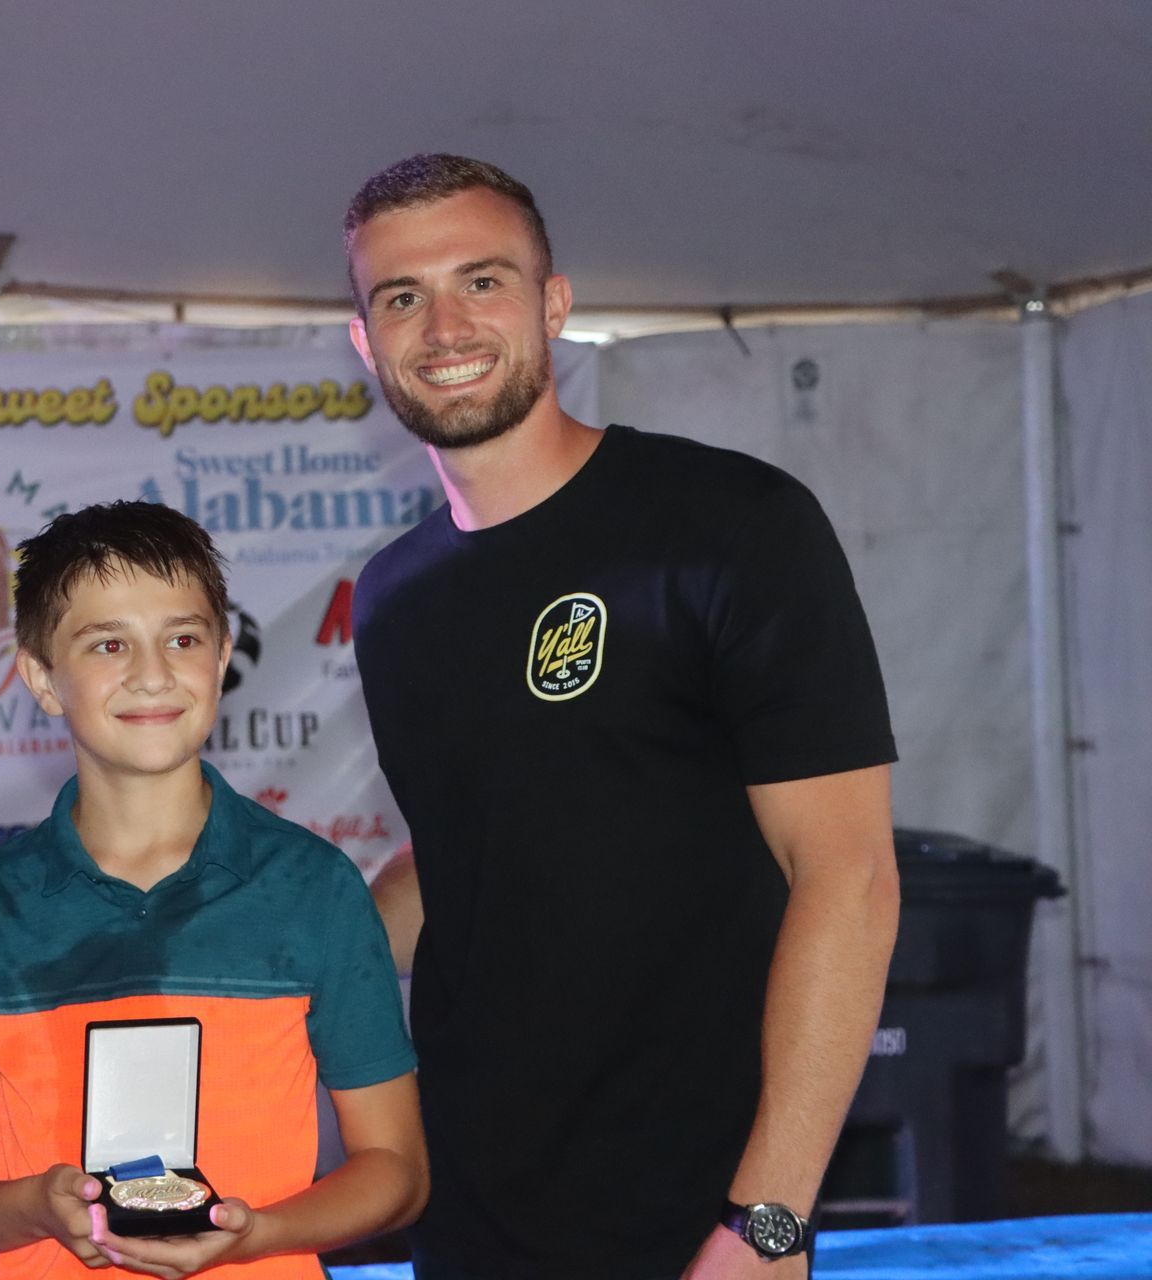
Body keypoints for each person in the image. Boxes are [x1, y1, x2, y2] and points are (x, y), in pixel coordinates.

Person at [342, 154, 900, 1280]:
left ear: (554, 303)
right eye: (403, 296)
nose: (444, 326)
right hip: (471, 1211)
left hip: (700, 1216)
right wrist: (256, 952)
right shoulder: (393, 596)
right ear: (365, 341)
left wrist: (769, 1218)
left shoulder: (733, 524)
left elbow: (848, 876)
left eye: (483, 281)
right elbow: (461, 854)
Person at [0, 501, 429, 1278]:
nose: (152, 673)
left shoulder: (314, 889)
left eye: (183, 639)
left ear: (222, 655)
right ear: (41, 677)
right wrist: (33, 1206)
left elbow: (398, 1171)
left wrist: (258, 1232)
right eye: (109, 644)